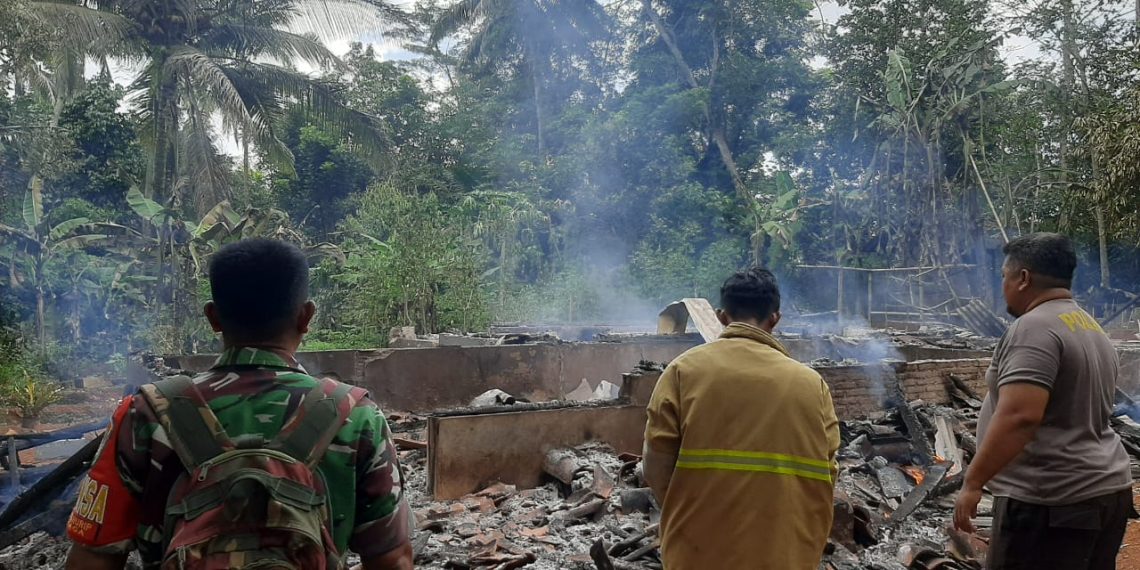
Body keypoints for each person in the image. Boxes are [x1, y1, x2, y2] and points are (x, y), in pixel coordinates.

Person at [65, 239, 413, 570]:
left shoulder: (143, 414)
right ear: (306, 317)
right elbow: (392, 560)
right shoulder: (356, 415)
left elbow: (92, 560)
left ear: (213, 318)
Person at [953, 232, 1132, 569]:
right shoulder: (1091, 328)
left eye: (1004, 276)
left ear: (1023, 279)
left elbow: (1021, 416)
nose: (1001, 285)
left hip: (1051, 502)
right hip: (1103, 492)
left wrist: (973, 482)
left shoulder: (1033, 328)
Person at [642, 268, 840, 569]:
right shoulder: (812, 385)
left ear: (721, 316)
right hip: (786, 555)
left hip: (697, 552)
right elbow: (827, 474)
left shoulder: (682, 373)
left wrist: (688, 510)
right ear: (775, 319)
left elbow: (655, 465)